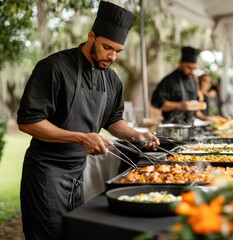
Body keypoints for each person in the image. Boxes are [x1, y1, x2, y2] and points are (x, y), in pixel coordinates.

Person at [16, 1, 159, 239]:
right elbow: (28, 121)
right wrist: (81, 137)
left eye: (118, 51)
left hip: (76, 172)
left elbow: (113, 120)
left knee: (73, 233)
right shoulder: (54, 68)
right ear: (91, 37)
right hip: (45, 172)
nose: (112, 56)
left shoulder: (112, 79)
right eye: (107, 47)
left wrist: (137, 135)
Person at [151, 46, 209, 124]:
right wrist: (180, 105)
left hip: (189, 125)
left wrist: (206, 119)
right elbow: (158, 103)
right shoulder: (169, 81)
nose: (192, 71)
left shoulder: (193, 80)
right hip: (172, 125)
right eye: (189, 67)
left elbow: (195, 110)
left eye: (194, 68)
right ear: (180, 64)